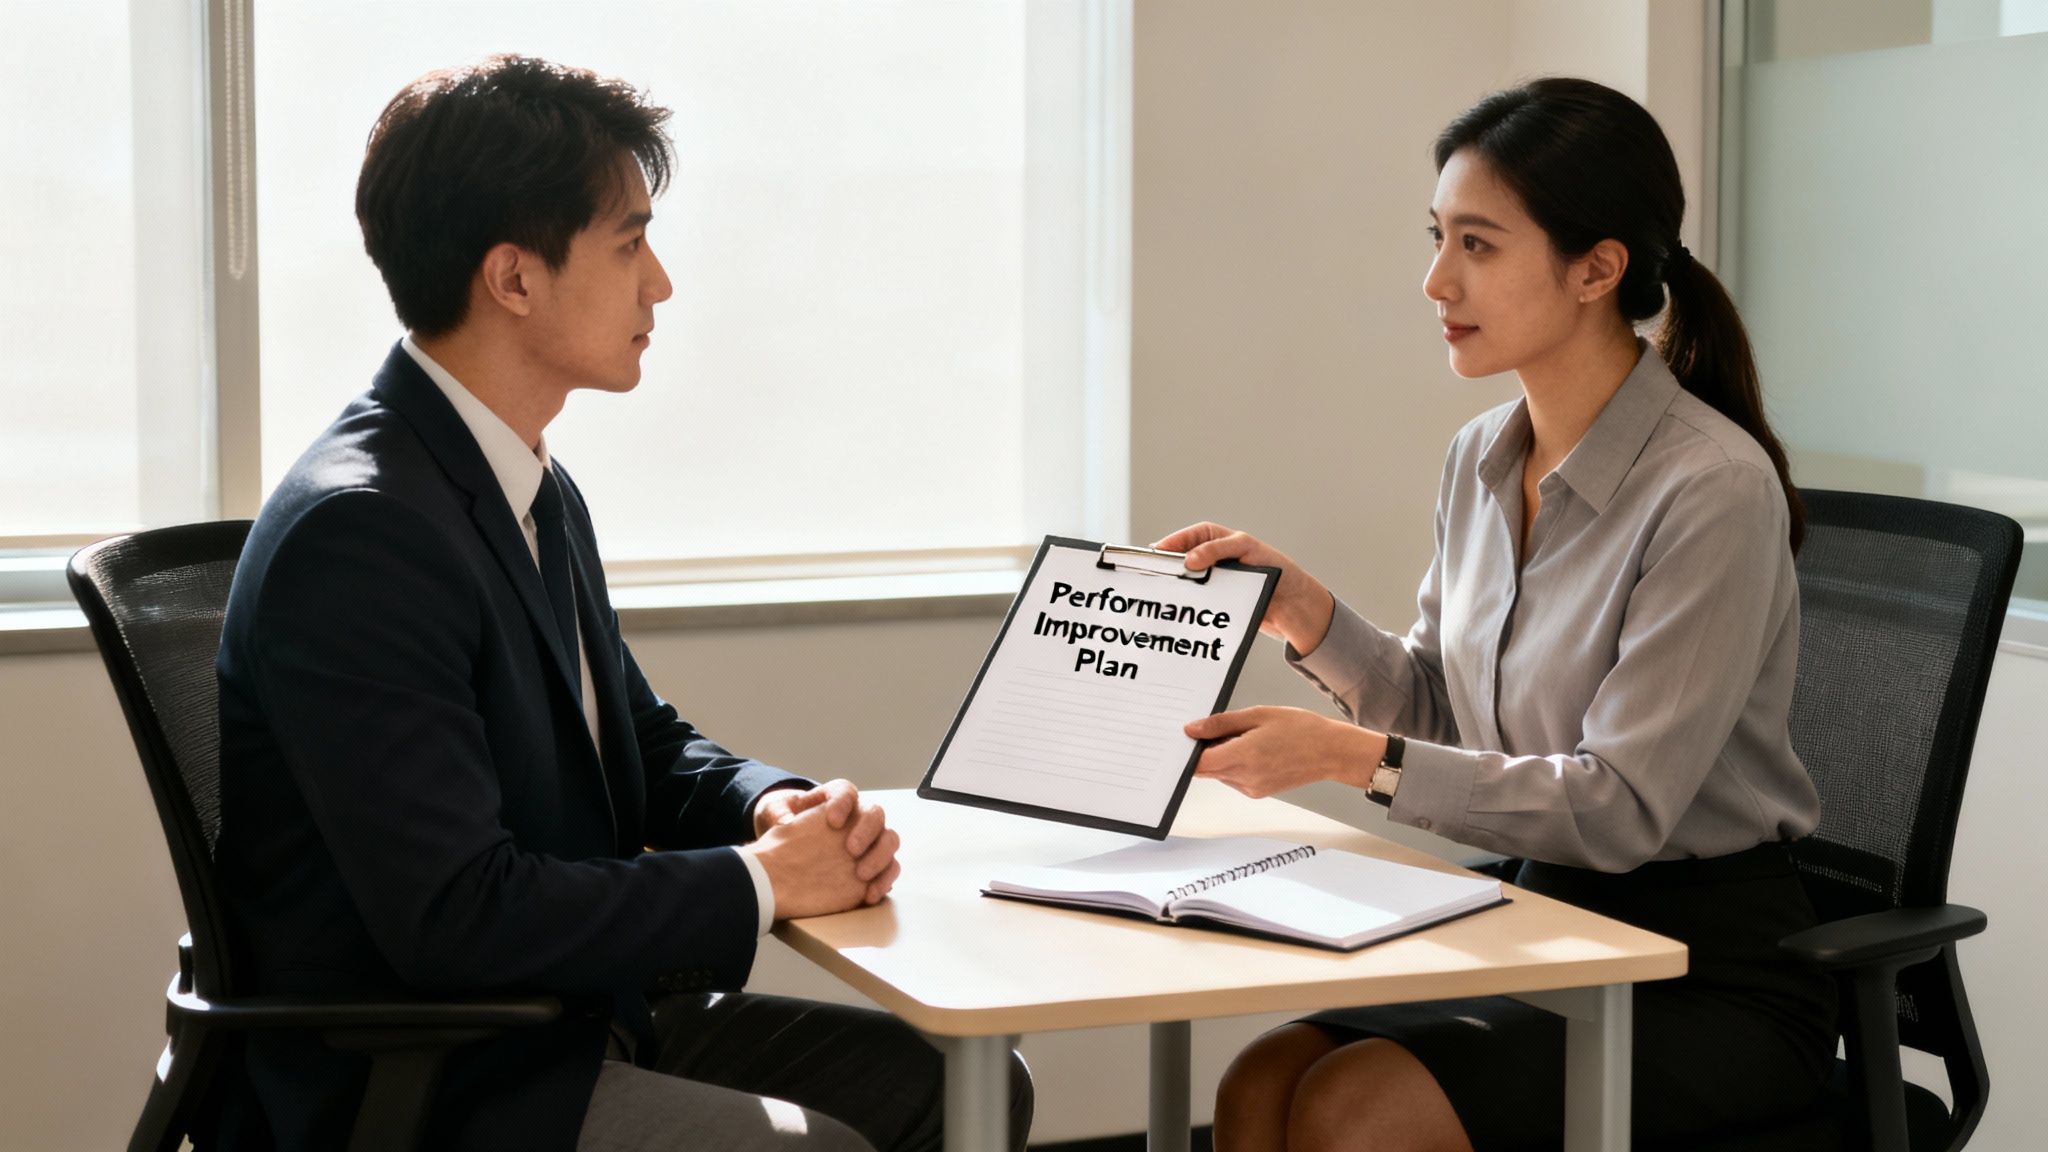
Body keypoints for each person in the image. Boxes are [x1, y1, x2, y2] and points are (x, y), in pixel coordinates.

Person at [214, 55, 1030, 1152]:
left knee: (967, 1085)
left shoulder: (521, 482)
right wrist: (760, 885)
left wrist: (763, 808)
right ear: (513, 278)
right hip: (439, 1083)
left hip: (566, 1022)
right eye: (629, 241)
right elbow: (460, 916)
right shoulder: (362, 532)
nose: (661, 284)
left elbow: (631, 735)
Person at [1158, 78, 1836, 1151]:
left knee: (1350, 1106)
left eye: (1476, 244)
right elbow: (1440, 707)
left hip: (1706, 971)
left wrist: (1346, 757)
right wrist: (1304, 613)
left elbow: (1615, 809)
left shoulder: (1710, 488)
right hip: (1543, 920)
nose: (1434, 279)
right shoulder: (1480, 454)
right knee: (1259, 1081)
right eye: (1436, 237)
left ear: (1595, 268)